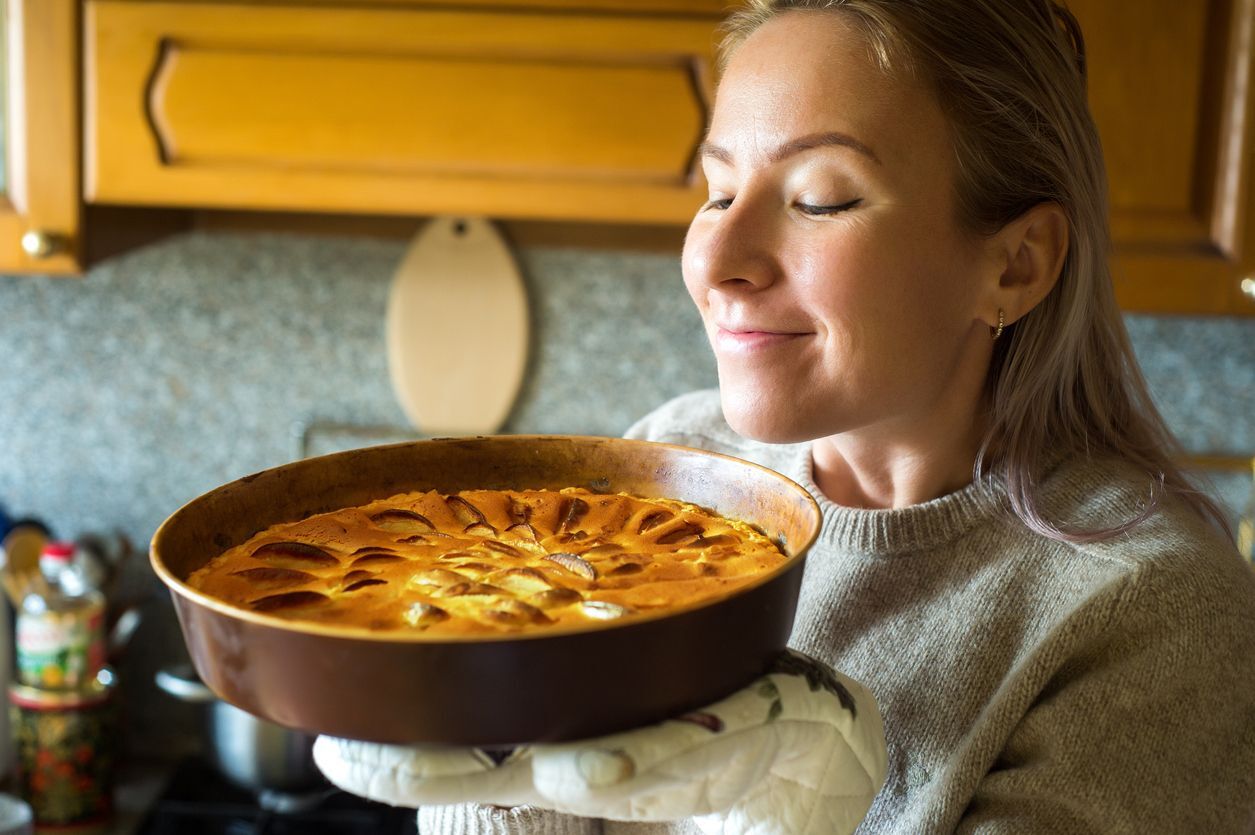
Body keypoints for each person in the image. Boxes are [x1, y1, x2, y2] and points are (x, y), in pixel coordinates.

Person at [315, 0, 1255, 832]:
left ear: (1014, 263)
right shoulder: (672, 472)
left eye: (819, 198)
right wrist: (497, 769)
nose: (717, 256)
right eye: (718, 190)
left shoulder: (1151, 617)